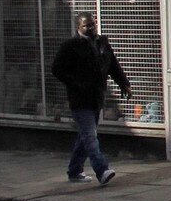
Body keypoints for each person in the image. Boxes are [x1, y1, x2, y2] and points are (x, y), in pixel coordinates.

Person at [50, 13, 131, 184]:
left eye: (93, 24)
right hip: (79, 99)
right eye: (87, 26)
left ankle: (74, 171)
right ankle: (101, 170)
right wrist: (76, 83)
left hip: (96, 97)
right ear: (78, 27)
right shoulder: (70, 46)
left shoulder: (102, 43)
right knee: (90, 136)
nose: (91, 28)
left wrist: (124, 84)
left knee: (85, 136)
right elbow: (57, 69)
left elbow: (113, 66)